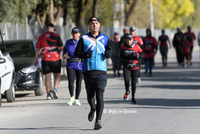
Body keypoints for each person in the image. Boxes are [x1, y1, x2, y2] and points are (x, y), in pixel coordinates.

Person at [74, 17, 112, 130]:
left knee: (100, 95)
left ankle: (98, 120)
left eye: (96, 23)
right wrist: (85, 55)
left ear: (99, 25)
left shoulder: (105, 38)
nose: (94, 25)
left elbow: (110, 49)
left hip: (102, 71)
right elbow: (77, 53)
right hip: (88, 71)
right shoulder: (84, 38)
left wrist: (108, 53)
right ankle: (93, 109)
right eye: (92, 23)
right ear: (89, 26)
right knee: (90, 96)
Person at [34, 23, 63, 100]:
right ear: (53, 29)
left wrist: (36, 59)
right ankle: (55, 88)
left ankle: (48, 95)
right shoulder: (57, 36)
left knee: (47, 77)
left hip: (45, 59)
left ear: (46, 29)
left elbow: (37, 49)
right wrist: (59, 53)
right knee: (57, 75)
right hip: (55, 58)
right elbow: (61, 47)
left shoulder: (41, 37)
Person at [120, 34, 144, 104]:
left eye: (130, 40)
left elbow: (142, 55)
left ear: (132, 40)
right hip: (126, 67)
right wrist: (123, 61)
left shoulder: (136, 46)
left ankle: (133, 97)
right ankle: (127, 91)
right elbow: (120, 56)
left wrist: (137, 56)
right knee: (127, 81)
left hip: (135, 67)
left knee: (133, 83)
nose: (128, 42)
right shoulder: (124, 47)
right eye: (127, 40)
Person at [63, 27, 82, 106]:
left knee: (79, 83)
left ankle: (77, 98)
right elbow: (64, 50)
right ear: (72, 34)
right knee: (71, 82)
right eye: (73, 33)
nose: (75, 34)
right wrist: (64, 55)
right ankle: (72, 97)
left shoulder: (82, 42)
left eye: (76, 33)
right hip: (70, 64)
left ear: (79, 34)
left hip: (80, 65)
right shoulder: (68, 42)